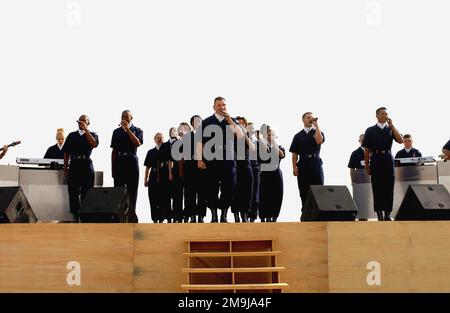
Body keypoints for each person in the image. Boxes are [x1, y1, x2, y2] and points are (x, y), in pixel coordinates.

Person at [197, 97, 244, 223]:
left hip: (228, 159)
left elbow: (240, 136)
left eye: (224, 105)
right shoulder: (207, 122)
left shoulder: (232, 121)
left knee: (229, 187)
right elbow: (199, 142)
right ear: (214, 107)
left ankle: (224, 214)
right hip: (210, 159)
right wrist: (199, 159)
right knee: (211, 188)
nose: (222, 107)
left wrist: (230, 121)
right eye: (219, 105)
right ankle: (213, 215)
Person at [363, 107, 403, 221]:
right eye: (382, 114)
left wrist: (393, 126)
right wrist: (367, 166)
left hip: (388, 159)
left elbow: (400, 141)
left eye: (386, 114)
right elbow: (366, 149)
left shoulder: (390, 129)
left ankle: (387, 213)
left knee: (388, 188)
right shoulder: (370, 130)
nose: (385, 116)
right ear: (377, 115)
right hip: (376, 159)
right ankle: (379, 213)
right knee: (377, 187)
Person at [289, 112, 325, 221]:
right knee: (304, 190)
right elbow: (294, 153)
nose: (311, 119)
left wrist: (317, 125)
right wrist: (294, 167)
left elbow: (319, 140)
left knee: (318, 189)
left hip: (315, 163)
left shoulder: (317, 132)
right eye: (308, 117)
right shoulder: (298, 136)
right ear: (303, 120)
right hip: (303, 164)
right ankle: (305, 214)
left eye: (312, 117)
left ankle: (319, 214)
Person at [63, 115, 99, 221]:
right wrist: (66, 168)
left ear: (88, 123)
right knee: (73, 191)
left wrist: (86, 130)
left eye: (84, 121)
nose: (81, 122)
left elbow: (94, 144)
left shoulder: (93, 134)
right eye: (80, 121)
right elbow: (66, 153)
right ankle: (75, 215)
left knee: (86, 191)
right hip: (74, 164)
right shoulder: (71, 135)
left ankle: (85, 216)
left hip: (86, 165)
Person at [111, 110, 143, 223]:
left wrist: (128, 129)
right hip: (119, 162)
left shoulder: (138, 130)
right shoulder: (116, 132)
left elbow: (137, 143)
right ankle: (119, 218)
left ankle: (131, 216)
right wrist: (112, 169)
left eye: (127, 117)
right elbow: (114, 151)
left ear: (131, 118)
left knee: (132, 191)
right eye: (122, 117)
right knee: (119, 191)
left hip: (132, 163)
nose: (124, 118)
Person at [183, 115, 207, 223]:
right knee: (190, 192)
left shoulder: (206, 135)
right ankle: (192, 215)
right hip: (190, 166)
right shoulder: (187, 136)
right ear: (192, 123)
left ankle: (201, 216)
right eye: (195, 121)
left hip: (203, 166)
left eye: (200, 121)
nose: (198, 122)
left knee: (202, 191)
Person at [231, 116, 255, 223]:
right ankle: (236, 215)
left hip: (246, 165)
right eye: (238, 124)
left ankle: (245, 215)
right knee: (235, 191)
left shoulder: (247, 136)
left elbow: (252, 148)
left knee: (247, 190)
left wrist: (244, 135)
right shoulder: (231, 136)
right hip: (234, 165)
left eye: (242, 124)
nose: (240, 126)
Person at [259, 126, 285, 222]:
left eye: (271, 135)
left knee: (276, 196)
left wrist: (273, 143)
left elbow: (281, 155)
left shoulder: (279, 146)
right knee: (263, 196)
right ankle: (263, 218)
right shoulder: (260, 146)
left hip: (276, 174)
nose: (270, 136)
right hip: (264, 174)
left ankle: (274, 218)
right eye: (268, 135)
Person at [159, 127, 183, 223]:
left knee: (178, 195)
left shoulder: (180, 143)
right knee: (167, 195)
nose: (173, 132)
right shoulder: (164, 145)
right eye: (171, 131)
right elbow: (160, 158)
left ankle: (178, 217)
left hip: (177, 169)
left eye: (175, 131)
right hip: (165, 171)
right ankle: (168, 217)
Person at [144, 133, 164, 223]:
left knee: (162, 198)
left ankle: (161, 219)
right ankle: (154, 219)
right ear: (154, 139)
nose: (159, 139)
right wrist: (145, 179)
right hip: (153, 176)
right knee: (153, 198)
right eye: (157, 138)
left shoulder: (166, 150)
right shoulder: (150, 152)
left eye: (161, 138)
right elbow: (147, 167)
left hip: (163, 176)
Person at [246, 122, 261, 223]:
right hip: (246, 167)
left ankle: (253, 217)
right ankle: (245, 215)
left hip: (255, 167)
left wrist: (259, 139)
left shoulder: (258, 142)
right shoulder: (242, 139)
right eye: (249, 128)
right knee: (247, 192)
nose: (252, 130)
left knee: (255, 193)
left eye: (253, 129)